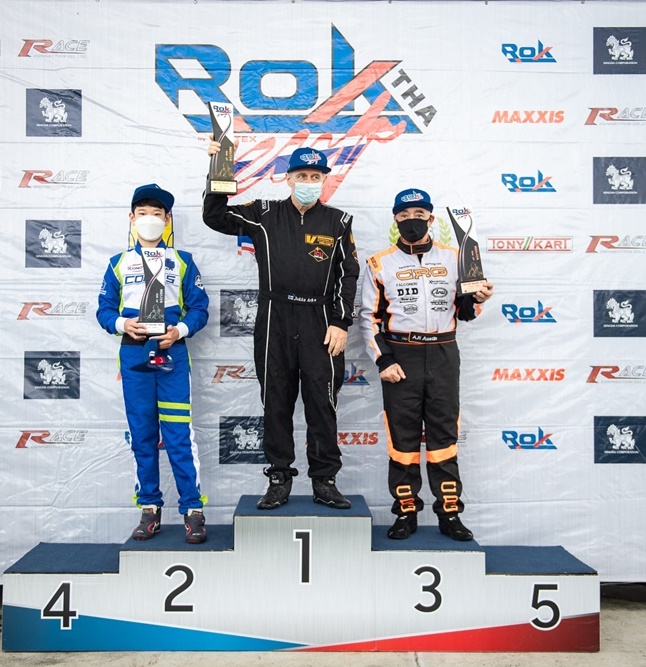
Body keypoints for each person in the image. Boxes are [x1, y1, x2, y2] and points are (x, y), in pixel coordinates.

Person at [203, 145, 359, 510]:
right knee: (275, 400)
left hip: (321, 320)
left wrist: (340, 322)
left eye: (315, 177)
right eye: (302, 176)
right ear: (288, 179)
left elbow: (347, 273)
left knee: (322, 403)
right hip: (275, 316)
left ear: (324, 180)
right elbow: (215, 216)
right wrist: (217, 166)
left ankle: (324, 480)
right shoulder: (264, 213)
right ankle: (278, 477)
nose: (308, 182)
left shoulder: (338, 221)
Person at [358, 189, 494, 541]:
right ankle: (406, 512)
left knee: (443, 438)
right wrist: (384, 359)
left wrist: (477, 298)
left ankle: (450, 513)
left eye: (419, 214)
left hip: (443, 353)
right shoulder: (379, 263)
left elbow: (465, 312)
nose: (412, 220)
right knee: (402, 439)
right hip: (401, 356)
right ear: (395, 219)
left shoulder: (456, 256)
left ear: (431, 218)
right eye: (404, 215)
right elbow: (368, 318)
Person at [96, 185, 210, 544]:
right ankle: (149, 508)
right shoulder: (118, 262)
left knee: (178, 435)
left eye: (157, 214)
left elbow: (200, 308)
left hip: (172, 356)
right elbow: (103, 310)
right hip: (134, 355)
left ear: (167, 219)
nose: (150, 219)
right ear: (132, 218)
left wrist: (180, 330)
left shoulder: (183, 261)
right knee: (143, 435)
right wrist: (121, 324)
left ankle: (193, 510)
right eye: (143, 213)